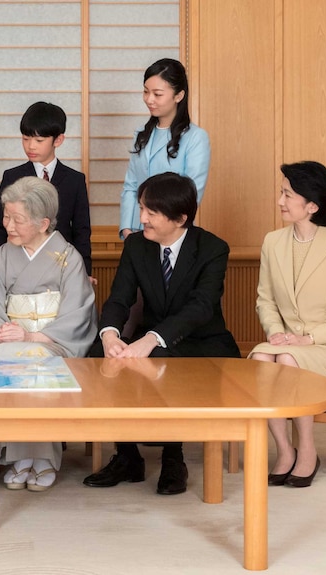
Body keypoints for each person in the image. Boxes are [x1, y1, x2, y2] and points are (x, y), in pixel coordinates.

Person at [85, 172, 239, 495]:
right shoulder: (137, 247)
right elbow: (119, 298)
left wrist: (152, 338)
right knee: (99, 355)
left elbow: (201, 308)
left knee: (159, 357)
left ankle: (174, 458)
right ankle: (127, 456)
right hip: (151, 339)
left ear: (180, 217)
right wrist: (110, 336)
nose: (141, 219)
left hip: (202, 343)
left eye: (151, 213)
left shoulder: (212, 249)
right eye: (142, 209)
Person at [249, 161, 326, 488]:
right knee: (261, 358)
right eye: (281, 192)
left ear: (312, 205)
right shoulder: (273, 242)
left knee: (287, 361)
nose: (280, 201)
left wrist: (307, 339)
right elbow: (265, 299)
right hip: (286, 342)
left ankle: (309, 452)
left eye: (288, 194)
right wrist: (274, 331)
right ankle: (285, 450)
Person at [0, 176, 97, 492]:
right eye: (6, 216)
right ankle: (19, 457)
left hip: (51, 342)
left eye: (18, 219)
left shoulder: (68, 257)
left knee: (38, 362)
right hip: (12, 341)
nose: (8, 226)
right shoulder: (2, 256)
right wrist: (0, 329)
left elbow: (77, 311)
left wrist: (32, 337)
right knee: (6, 356)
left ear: (44, 223)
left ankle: (42, 458)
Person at [0, 101, 92, 275]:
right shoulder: (12, 177)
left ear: (58, 140)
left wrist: (84, 272)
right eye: (26, 139)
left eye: (39, 140)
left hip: (61, 265)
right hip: (18, 263)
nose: (31, 146)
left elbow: (81, 230)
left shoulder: (75, 180)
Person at [119, 58, 209, 241]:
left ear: (179, 96)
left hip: (173, 233)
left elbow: (191, 193)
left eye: (157, 94)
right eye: (146, 92)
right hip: (138, 231)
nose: (149, 99)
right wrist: (127, 228)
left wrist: (159, 226)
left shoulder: (195, 138)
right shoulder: (141, 135)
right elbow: (131, 186)